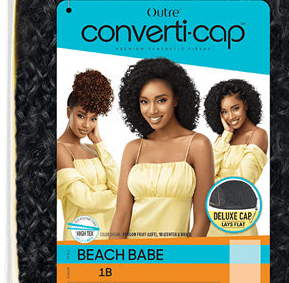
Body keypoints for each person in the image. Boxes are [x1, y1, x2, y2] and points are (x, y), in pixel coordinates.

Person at [110, 58, 213, 239]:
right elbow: (121, 216)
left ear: (176, 99)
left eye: (161, 100)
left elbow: (202, 220)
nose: (152, 111)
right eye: (144, 102)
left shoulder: (198, 145)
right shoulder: (133, 149)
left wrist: (186, 255)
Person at [56, 70, 119, 240]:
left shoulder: (93, 148)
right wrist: (117, 197)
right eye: (81, 116)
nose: (86, 125)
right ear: (68, 112)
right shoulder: (60, 150)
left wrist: (98, 141)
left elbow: (119, 185)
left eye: (93, 119)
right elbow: (84, 200)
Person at [203, 79, 269, 237]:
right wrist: (226, 134)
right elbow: (206, 175)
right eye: (224, 112)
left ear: (246, 104)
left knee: (242, 255)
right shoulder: (222, 139)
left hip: (240, 221)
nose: (230, 116)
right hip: (213, 222)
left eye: (235, 108)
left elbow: (242, 182)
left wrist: (213, 186)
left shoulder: (258, 135)